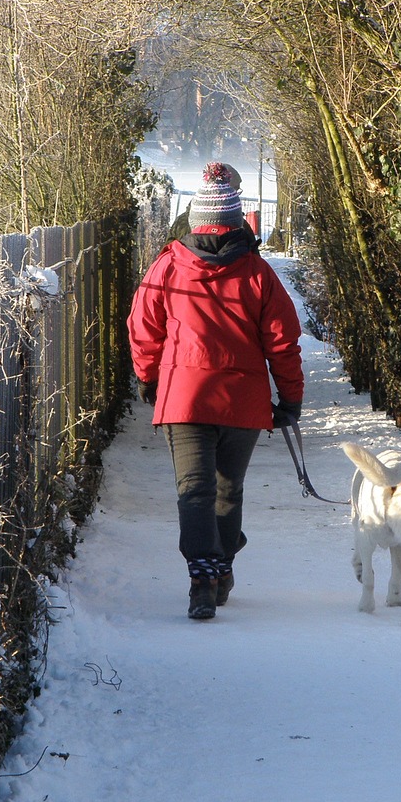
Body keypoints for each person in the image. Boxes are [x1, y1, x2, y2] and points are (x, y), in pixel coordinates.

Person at [127, 161, 304, 620]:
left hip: (183, 398)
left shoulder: (166, 267)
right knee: (228, 490)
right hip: (241, 404)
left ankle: (202, 578)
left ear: (195, 220)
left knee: (194, 491)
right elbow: (283, 341)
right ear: (236, 221)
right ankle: (220, 566)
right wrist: (290, 399)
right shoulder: (257, 274)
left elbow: (143, 329)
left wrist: (149, 378)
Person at [164, 162, 258, 245]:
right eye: (235, 190)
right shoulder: (241, 229)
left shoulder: (182, 221)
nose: (236, 195)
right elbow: (254, 261)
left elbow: (166, 257)